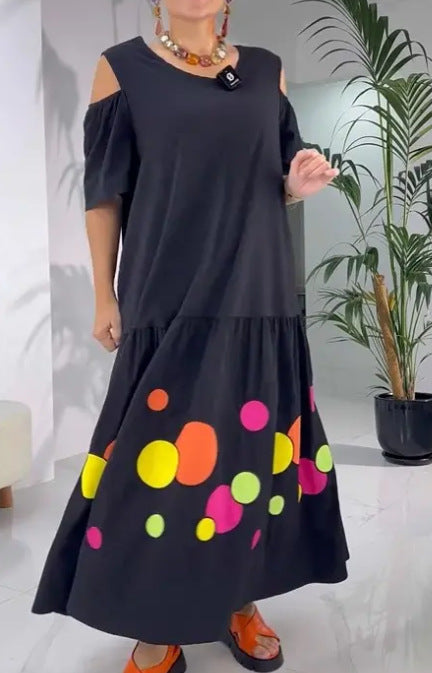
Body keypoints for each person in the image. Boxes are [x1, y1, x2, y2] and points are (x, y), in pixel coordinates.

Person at [32, 1, 349, 671]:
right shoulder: (123, 70)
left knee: (247, 460)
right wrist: (103, 293)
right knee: (154, 467)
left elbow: (275, 178)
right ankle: (156, 620)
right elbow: (104, 194)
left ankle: (238, 600)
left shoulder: (266, 71)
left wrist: (297, 184)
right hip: (167, 297)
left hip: (256, 297)